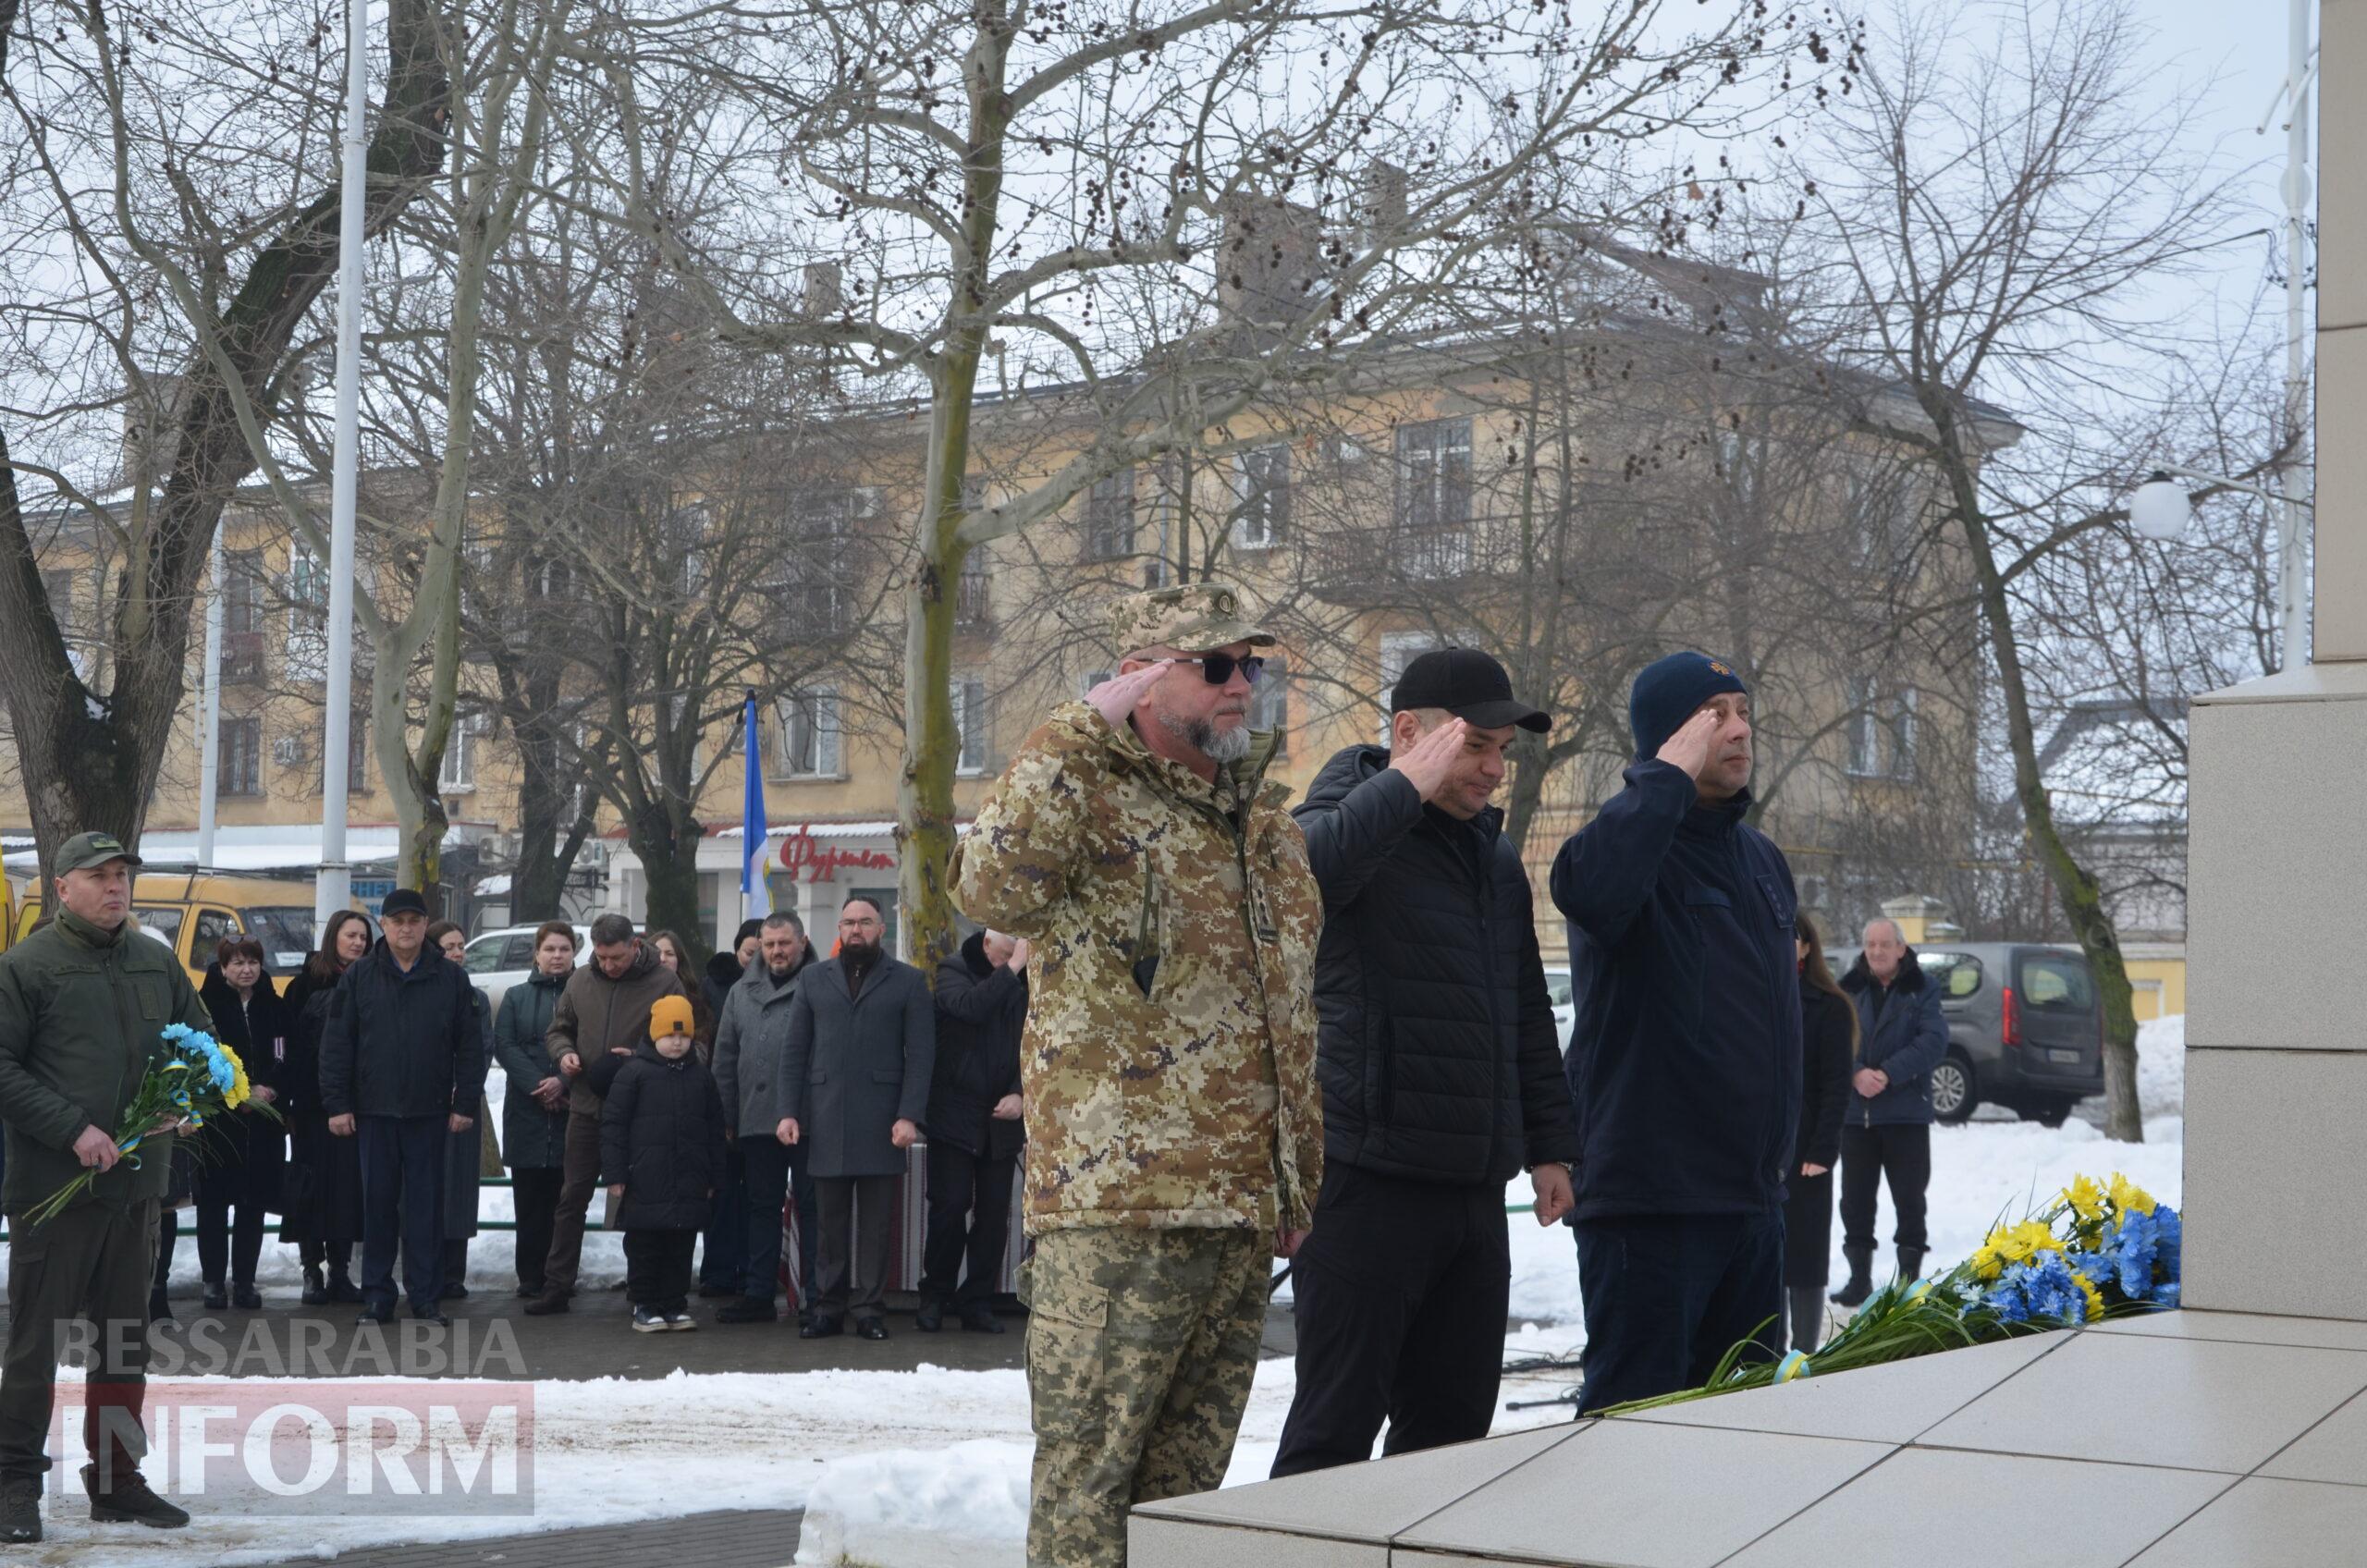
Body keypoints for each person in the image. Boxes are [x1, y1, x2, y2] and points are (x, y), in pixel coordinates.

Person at [949, 582, 1324, 1568]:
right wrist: (1078, 731)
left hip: (1238, 1209)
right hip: (1118, 1211)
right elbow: (985, 885)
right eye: (1214, 665)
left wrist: (1294, 1178)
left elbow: (1288, 1019)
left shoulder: (1264, 829)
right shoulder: (1083, 795)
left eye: (1253, 665)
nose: (1243, 684)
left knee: (1182, 1501)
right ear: (1139, 683)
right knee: (1088, 1487)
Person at [1270, 647, 1580, 1477]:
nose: (1492, 770)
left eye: (1500, 753)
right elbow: (1307, 883)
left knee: (1448, 1443)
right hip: (1367, 1180)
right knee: (1332, 1434)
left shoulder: (1492, 856)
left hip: (1472, 1191)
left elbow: (1523, 1008)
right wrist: (1406, 784)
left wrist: (1550, 1143)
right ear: (1410, 731)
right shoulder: (1340, 815)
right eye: (1475, 745)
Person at [1550, 651, 1801, 1415]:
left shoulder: (1760, 860)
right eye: (1714, 715)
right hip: (1652, 1208)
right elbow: (1590, 892)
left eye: (1742, 710)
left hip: (1750, 1205)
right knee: (1635, 1433)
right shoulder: (1623, 847)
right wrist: (1660, 779)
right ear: (1668, 737)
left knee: (1744, 1432)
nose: (1739, 729)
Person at [0, 831, 202, 1537]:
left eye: (122, 875)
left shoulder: (155, 960)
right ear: (62, 888)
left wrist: (186, 1096)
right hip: (56, 1188)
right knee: (36, 1342)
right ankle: (13, 1482)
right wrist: (70, 1129)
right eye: (99, 876)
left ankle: (116, 1479)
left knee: (124, 1342)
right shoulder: (27, 967)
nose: (116, 887)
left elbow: (197, 1040)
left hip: (136, 1189)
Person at [319, 888, 485, 1326]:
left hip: (429, 1111)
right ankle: (377, 1295)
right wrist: (337, 1103)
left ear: (425, 924)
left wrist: (464, 1101)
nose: (406, 928)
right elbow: (337, 1044)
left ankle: (426, 1296)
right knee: (376, 1206)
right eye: (397, 921)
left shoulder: (450, 979)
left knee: (426, 1208)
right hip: (375, 1112)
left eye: (414, 920)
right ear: (384, 925)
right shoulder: (359, 977)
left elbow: (470, 1047)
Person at [776, 898, 934, 1341]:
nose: (856, 930)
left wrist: (909, 1116)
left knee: (876, 1225)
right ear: (839, 929)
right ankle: (827, 1308)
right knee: (828, 1224)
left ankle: (869, 1310)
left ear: (882, 928)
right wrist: (788, 1111)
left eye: (865, 922)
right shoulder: (812, 979)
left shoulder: (908, 981)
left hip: (885, 1122)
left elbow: (921, 1057)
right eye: (848, 922)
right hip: (824, 1117)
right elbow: (794, 1051)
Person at [527, 913, 683, 1315]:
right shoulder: (581, 980)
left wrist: (642, 1057)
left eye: (616, 957)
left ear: (635, 946)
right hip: (586, 1107)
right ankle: (557, 1285)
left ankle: (642, 1285)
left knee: (640, 1201)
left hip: (641, 1111)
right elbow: (558, 1030)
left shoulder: (664, 982)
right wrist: (566, 1056)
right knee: (571, 1197)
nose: (609, 965)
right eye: (602, 957)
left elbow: (684, 1038)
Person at [1830, 917, 1948, 1307]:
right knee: (1854, 1202)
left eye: (1885, 944)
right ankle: (1859, 1278)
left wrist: (1887, 1073)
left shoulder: (1923, 989)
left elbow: (1933, 1041)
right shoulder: (1847, 989)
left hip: (1905, 1114)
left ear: (1901, 948)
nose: (1877, 952)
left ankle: (1909, 1280)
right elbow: (1830, 1041)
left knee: (1910, 1200)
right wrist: (1856, 1073)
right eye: (1870, 945)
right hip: (1856, 1117)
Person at [918, 927, 1028, 1334]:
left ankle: (977, 1299)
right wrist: (1013, 967)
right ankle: (935, 1294)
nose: (1011, 961)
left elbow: (1036, 1043)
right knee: (949, 1207)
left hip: (1002, 1118)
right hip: (954, 1112)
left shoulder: (1030, 982)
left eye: (1014, 955)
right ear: (987, 945)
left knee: (994, 1216)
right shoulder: (953, 970)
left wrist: (1020, 1093)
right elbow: (969, 1008)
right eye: (1004, 954)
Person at [711, 911, 817, 1323]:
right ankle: (758, 1293)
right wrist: (727, 1116)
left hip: (809, 1120)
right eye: (770, 944)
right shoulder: (740, 992)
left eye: (784, 943)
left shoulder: (822, 983)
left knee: (812, 1208)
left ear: (802, 942)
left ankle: (816, 1294)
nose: (776, 951)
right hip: (756, 1119)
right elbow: (725, 1058)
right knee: (761, 1207)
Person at [603, 995, 726, 1331]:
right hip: (645, 1177)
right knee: (645, 1246)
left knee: (681, 1246)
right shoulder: (634, 1074)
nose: (676, 1042)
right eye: (670, 1036)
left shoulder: (701, 1078)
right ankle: (644, 1303)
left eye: (683, 1036)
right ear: (654, 1035)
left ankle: (674, 1303)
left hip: (689, 1179)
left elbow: (715, 1129)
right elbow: (614, 1126)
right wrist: (615, 1173)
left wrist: (714, 1175)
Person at [193, 937, 292, 1309]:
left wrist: (268, 1088)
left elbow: (284, 1055)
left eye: (251, 961)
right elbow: (201, 1057)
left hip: (264, 1120)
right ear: (222, 968)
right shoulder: (207, 1008)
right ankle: (213, 1281)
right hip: (220, 1122)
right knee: (214, 1203)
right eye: (236, 962)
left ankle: (245, 1281)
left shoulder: (275, 1008)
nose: (246, 969)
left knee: (253, 1202)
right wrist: (233, 1092)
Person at [281, 909, 372, 1303]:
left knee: (348, 1191)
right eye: (351, 935)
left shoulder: (372, 982)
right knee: (310, 1190)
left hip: (358, 1106)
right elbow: (289, 1049)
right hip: (311, 1108)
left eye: (363, 938)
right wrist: (291, 1103)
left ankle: (340, 1270)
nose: (357, 943)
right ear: (333, 936)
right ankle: (311, 1271)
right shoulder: (304, 986)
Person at [1784, 913, 1855, 1353]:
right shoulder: (1753, 996)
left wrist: (1823, 1150)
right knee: (1763, 1257)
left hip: (1807, 1151)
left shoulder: (1829, 1006)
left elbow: (1836, 1086)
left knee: (1805, 1258)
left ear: (1807, 947)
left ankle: (1803, 1353)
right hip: (1759, 1153)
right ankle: (1763, 1355)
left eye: (1792, 937)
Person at [493, 922, 576, 1299]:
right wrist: (539, 1086)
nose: (557, 956)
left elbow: (591, 1044)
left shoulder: (584, 994)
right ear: (537, 954)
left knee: (565, 1200)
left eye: (564, 949)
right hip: (526, 1110)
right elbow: (505, 1045)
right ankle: (530, 1275)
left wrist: (564, 1082)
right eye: (550, 949)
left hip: (572, 1108)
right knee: (528, 1200)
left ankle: (561, 1277)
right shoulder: (516, 996)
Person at [428, 921, 496, 1299]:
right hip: (425, 1104)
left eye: (460, 946)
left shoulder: (476, 998)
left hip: (463, 1105)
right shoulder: (423, 991)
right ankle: (426, 1268)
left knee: (459, 1191)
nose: (456, 953)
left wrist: (463, 1091)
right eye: (448, 946)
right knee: (425, 1188)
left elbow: (483, 1049)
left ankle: (454, 1273)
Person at [697, 919, 764, 1299]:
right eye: (750, 952)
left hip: (761, 1104)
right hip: (721, 1102)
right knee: (722, 1194)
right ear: (738, 950)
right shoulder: (715, 986)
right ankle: (718, 1270)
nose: (756, 959)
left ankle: (754, 1268)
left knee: (757, 1196)